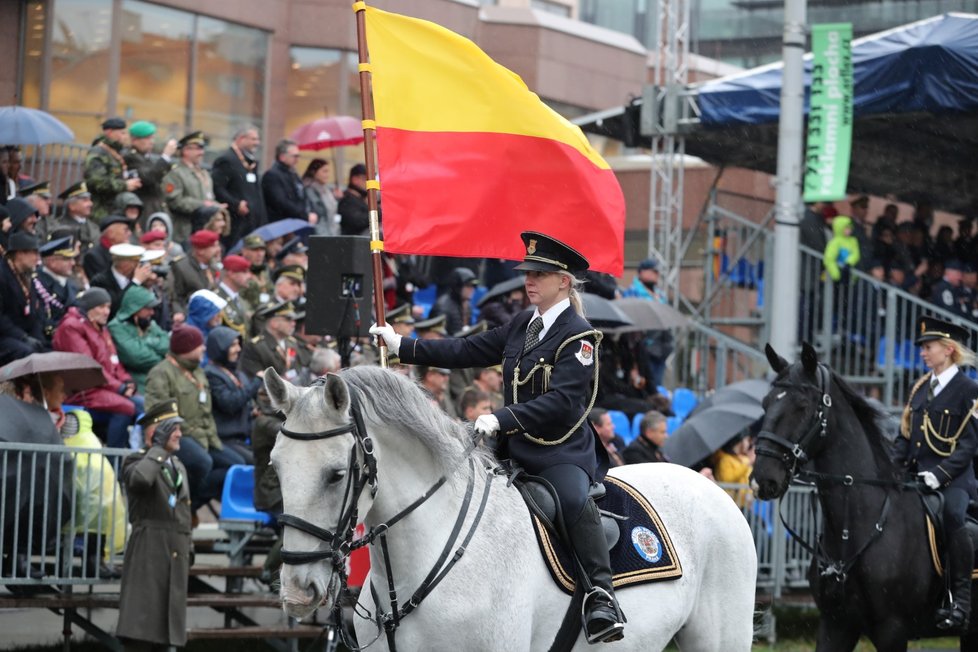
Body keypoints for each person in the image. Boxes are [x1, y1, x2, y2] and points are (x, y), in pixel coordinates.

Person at [371, 231, 625, 643]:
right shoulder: (524, 324)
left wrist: (502, 417)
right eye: (527, 272)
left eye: (539, 274)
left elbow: (563, 403)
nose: (529, 281)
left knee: (574, 500)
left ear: (563, 281)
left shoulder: (579, 337)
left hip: (559, 451)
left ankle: (601, 595)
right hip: (513, 448)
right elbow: (467, 350)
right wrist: (404, 344)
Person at [894, 316, 978, 631]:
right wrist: (893, 467)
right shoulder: (919, 388)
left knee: (954, 516)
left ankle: (961, 603)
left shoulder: (969, 389)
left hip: (955, 479)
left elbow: (970, 445)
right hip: (916, 476)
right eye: (923, 348)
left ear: (948, 349)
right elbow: (905, 436)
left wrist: (940, 474)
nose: (923, 353)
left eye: (928, 347)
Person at [117, 401, 192, 651]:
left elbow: (182, 509)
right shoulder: (134, 461)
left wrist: (187, 545)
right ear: (155, 432)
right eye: (173, 428)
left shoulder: (177, 465)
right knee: (141, 634)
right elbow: (139, 481)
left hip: (174, 557)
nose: (180, 434)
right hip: (149, 555)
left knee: (167, 637)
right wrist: (158, 450)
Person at [144, 325, 244, 513]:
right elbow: (158, 412)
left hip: (205, 436)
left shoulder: (198, 371)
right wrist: (176, 432)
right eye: (199, 345)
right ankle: (181, 506)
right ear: (187, 348)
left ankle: (190, 505)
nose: (204, 349)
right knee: (202, 462)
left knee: (235, 464)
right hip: (180, 434)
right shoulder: (161, 373)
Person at [52, 287, 143, 448]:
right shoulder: (71, 327)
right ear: (89, 307)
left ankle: (131, 456)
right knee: (126, 408)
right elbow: (87, 367)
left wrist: (126, 381)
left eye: (108, 307)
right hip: (81, 391)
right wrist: (120, 388)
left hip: (103, 389)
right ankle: (115, 459)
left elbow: (114, 362)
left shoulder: (101, 328)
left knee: (143, 404)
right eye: (101, 307)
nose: (106, 311)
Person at [205, 326, 261, 464]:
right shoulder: (211, 374)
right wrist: (256, 382)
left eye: (238, 344)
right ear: (220, 348)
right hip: (224, 438)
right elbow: (229, 403)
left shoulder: (239, 374)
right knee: (251, 463)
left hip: (243, 436)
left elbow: (246, 400)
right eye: (233, 345)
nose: (238, 349)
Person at [212, 124, 266, 248]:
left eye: (258, 139)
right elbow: (217, 188)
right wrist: (236, 204)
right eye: (253, 139)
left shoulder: (250, 162)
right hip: (236, 223)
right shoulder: (226, 159)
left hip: (252, 223)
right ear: (241, 138)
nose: (257, 143)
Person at [108, 285, 169, 393]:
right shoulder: (116, 327)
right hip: (138, 384)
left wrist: (147, 342)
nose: (152, 313)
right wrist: (163, 358)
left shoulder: (150, 324)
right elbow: (137, 357)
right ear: (135, 308)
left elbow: (168, 344)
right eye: (148, 308)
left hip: (160, 378)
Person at [162, 131, 221, 243]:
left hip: (205, 230)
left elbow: (209, 198)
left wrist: (215, 205)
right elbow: (175, 201)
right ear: (185, 150)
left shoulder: (204, 173)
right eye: (197, 149)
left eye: (202, 149)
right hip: (185, 231)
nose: (201, 153)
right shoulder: (176, 173)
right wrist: (202, 204)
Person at [0, 232, 47, 364]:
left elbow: (36, 311)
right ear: (19, 253)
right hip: (5, 336)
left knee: (47, 349)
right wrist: (23, 337)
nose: (38, 259)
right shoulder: (2, 275)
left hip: (24, 334)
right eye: (34, 253)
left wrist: (37, 337)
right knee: (27, 353)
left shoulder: (27, 275)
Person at [83, 117, 142, 223]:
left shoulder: (115, 152)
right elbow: (98, 182)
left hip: (115, 210)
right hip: (101, 213)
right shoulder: (98, 153)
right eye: (122, 133)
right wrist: (125, 185)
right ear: (109, 132)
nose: (125, 137)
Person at [123, 120, 177, 219]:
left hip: (155, 209)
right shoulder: (130, 157)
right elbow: (149, 178)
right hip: (143, 211)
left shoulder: (146, 158)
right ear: (135, 140)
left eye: (152, 137)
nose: (151, 141)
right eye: (147, 138)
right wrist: (165, 156)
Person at [89, 243, 152, 319]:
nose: (138, 265)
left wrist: (149, 283)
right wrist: (135, 282)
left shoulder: (136, 278)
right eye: (135, 262)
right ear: (124, 263)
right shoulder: (100, 281)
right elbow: (115, 306)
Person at [35, 236, 81, 339]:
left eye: (72, 258)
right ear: (52, 262)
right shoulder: (37, 284)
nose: (73, 263)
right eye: (67, 259)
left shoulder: (70, 283)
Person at [261, 139, 315, 223]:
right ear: (282, 157)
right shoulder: (272, 175)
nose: (297, 160)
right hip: (281, 225)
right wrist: (304, 215)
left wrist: (310, 212)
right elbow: (281, 203)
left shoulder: (293, 174)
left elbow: (302, 197)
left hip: (296, 222)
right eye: (295, 156)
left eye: (298, 156)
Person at [169, 229, 220, 315]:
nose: (218, 250)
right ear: (200, 251)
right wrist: (180, 313)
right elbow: (175, 297)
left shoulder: (214, 267)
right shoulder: (181, 267)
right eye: (213, 247)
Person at [50, 181, 101, 253]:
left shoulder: (94, 227)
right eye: (85, 200)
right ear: (71, 206)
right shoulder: (58, 226)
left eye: (90, 200)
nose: (91, 204)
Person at [711, 433, 755, 508]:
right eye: (747, 440)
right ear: (739, 441)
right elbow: (728, 479)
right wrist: (747, 464)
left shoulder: (743, 458)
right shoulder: (725, 460)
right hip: (729, 504)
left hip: (743, 504)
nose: (748, 443)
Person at [303, 158, 342, 235]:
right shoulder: (310, 190)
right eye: (324, 171)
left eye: (328, 171)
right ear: (314, 172)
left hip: (331, 231)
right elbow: (319, 211)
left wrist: (337, 198)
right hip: (320, 233)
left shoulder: (326, 189)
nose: (327, 175)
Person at [338, 163, 371, 236]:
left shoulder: (360, 198)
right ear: (355, 179)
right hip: (352, 243)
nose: (368, 182)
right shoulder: (348, 200)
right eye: (365, 179)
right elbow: (357, 221)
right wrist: (377, 212)